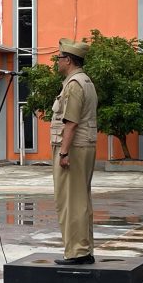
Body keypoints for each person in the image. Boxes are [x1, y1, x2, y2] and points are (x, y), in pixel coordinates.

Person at [50, 38, 98, 266]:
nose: (57, 62)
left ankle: (77, 252)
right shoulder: (84, 81)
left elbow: (71, 123)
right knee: (80, 200)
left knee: (71, 201)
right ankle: (83, 249)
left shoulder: (75, 84)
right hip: (82, 146)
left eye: (59, 58)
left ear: (68, 60)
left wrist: (64, 153)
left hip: (74, 148)